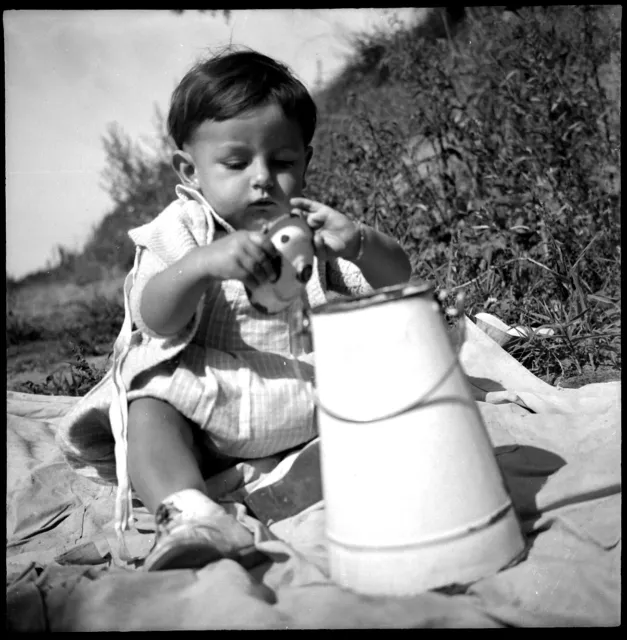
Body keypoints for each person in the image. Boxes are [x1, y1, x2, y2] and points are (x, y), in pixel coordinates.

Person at [56, 47, 411, 572]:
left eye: (283, 161)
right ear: (191, 169)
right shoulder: (183, 230)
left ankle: (364, 481)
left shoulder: (309, 231)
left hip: (302, 399)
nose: (263, 178)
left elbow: (395, 279)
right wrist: (200, 266)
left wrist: (358, 241)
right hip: (204, 411)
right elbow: (153, 316)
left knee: (389, 386)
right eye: (237, 162)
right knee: (146, 404)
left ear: (306, 163)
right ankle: (190, 510)